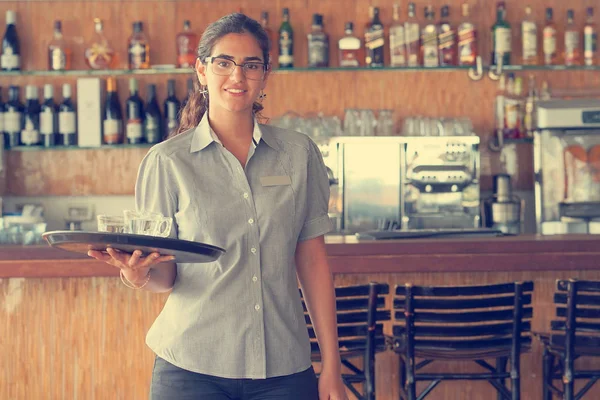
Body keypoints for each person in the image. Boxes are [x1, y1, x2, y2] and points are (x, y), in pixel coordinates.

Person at [88, 12, 348, 400]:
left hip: (284, 368)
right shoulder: (167, 161)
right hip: (192, 368)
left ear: (265, 75)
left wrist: (332, 365)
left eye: (251, 65)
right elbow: (165, 274)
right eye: (224, 62)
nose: (237, 76)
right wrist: (137, 275)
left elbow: (312, 261)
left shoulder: (298, 154)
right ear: (201, 71)